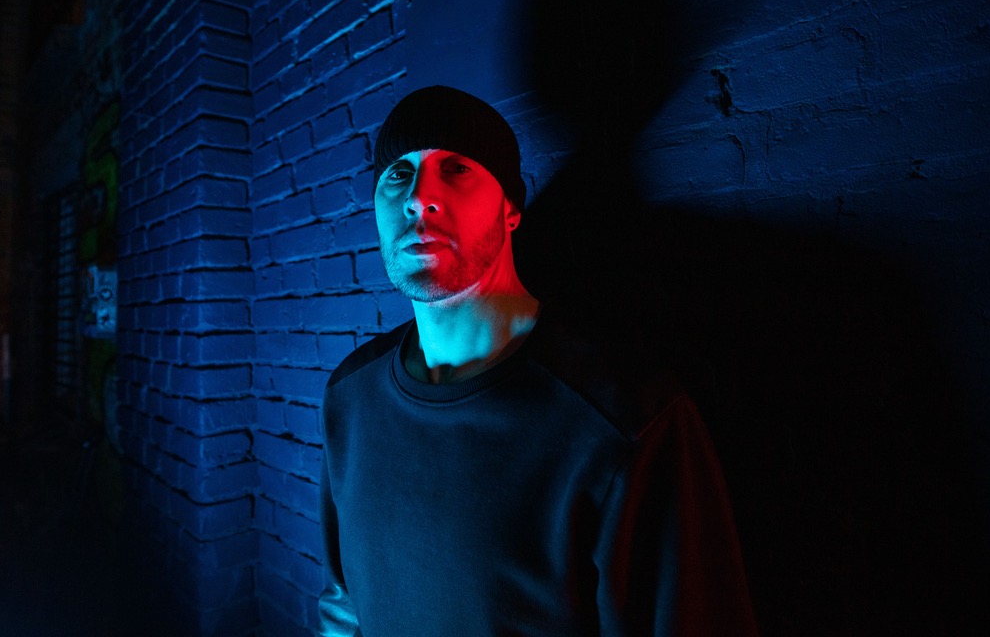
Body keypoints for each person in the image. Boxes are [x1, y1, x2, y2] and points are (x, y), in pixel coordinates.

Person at [317, 85, 758, 636]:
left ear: (511, 208)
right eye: (397, 174)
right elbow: (344, 609)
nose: (419, 197)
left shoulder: (626, 421)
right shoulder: (350, 397)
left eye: (456, 168)